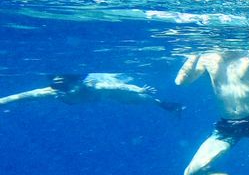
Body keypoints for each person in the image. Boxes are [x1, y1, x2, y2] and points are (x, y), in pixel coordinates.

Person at [0, 73, 184, 113]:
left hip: (107, 87)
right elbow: (24, 96)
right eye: (57, 86)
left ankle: (165, 105)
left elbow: (119, 87)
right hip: (102, 93)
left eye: (63, 85)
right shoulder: (54, 92)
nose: (60, 88)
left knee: (138, 99)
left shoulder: (96, 86)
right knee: (131, 99)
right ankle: (166, 105)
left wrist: (140, 89)